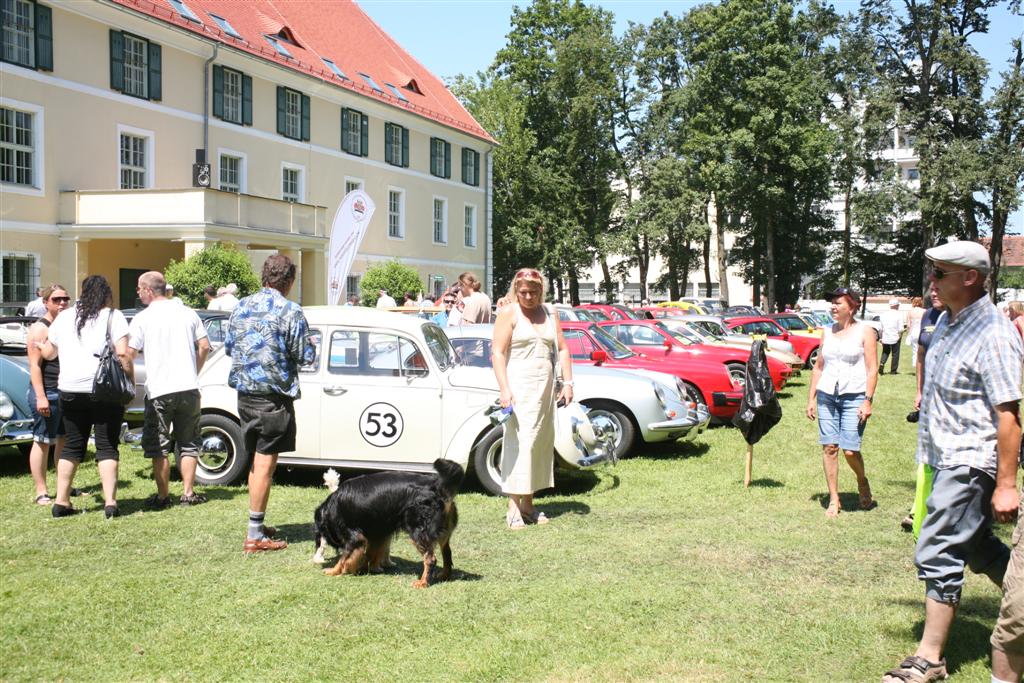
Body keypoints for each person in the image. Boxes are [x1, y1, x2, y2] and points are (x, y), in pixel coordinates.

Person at [882, 240, 1022, 683]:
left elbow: (1009, 416)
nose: (932, 282)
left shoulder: (993, 333)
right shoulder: (946, 321)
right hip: (944, 458)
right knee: (977, 546)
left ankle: (931, 658)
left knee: (937, 547)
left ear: (971, 278)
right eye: (933, 272)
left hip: (971, 461)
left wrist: (1005, 484)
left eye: (941, 273)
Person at [225, 254, 314, 553]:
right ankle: (254, 535)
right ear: (289, 281)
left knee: (256, 460)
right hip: (272, 398)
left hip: (245, 395)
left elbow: (229, 348)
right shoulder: (290, 310)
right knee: (265, 463)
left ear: (264, 276)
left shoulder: (241, 306)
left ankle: (257, 524)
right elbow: (305, 355)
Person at [37, 275, 133, 519]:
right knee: (107, 445)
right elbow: (123, 354)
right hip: (104, 390)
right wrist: (129, 382)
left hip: (69, 389)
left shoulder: (66, 316)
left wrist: (39, 345)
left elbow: (49, 354)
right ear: (106, 294)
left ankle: (61, 501)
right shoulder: (113, 316)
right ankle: (110, 503)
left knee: (72, 445)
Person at [491, 267, 574, 529]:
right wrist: (505, 389)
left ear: (542, 291)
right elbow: (497, 353)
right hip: (519, 387)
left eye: (534, 292)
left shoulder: (550, 311)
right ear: (516, 290)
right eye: (523, 292)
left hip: (545, 388)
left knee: (539, 443)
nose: (529, 297)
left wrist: (568, 382)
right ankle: (513, 506)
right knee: (521, 443)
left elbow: (561, 348)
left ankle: (528, 505)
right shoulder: (509, 312)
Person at [128, 272, 211, 508]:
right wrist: (194, 370)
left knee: (159, 444)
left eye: (139, 289)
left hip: (160, 389)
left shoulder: (143, 318)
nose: (138, 293)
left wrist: (128, 377)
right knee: (189, 442)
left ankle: (163, 496)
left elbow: (130, 352)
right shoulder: (187, 312)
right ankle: (188, 492)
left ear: (148, 291)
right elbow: (204, 346)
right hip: (188, 387)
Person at [805, 287, 878, 518]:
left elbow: (872, 369)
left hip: (854, 395)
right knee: (829, 447)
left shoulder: (866, 331)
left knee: (850, 450)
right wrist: (811, 399)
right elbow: (818, 367)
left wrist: (867, 400)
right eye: (832, 303)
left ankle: (861, 480)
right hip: (827, 394)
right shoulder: (826, 332)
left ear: (853, 306)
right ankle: (834, 499)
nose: (833, 307)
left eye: (838, 303)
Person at [901, 289, 947, 533]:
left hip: (950, 406)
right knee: (926, 460)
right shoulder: (929, 316)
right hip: (929, 399)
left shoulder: (957, 318)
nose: (933, 291)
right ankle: (917, 510)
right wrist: (919, 390)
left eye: (940, 285)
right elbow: (921, 355)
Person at [25, 284, 70, 504]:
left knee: (63, 439)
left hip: (65, 391)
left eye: (65, 299)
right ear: (45, 302)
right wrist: (40, 396)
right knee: (42, 441)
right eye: (56, 299)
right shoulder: (40, 329)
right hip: (47, 391)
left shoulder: (65, 325)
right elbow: (34, 366)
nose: (62, 303)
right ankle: (41, 490)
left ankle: (64, 486)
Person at [878, 298, 905, 375]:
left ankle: (882, 363)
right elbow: (901, 329)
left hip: (886, 336)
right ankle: (893, 371)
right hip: (895, 336)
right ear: (896, 305)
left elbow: (880, 328)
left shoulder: (883, 314)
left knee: (885, 352)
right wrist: (900, 336)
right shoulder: (899, 315)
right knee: (895, 354)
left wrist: (880, 338)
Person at [906, 296, 926, 369]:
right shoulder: (924, 311)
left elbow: (908, 325)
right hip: (921, 331)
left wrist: (908, 334)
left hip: (913, 332)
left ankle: (915, 364)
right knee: (923, 350)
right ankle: (922, 365)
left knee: (915, 350)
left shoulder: (910, 312)